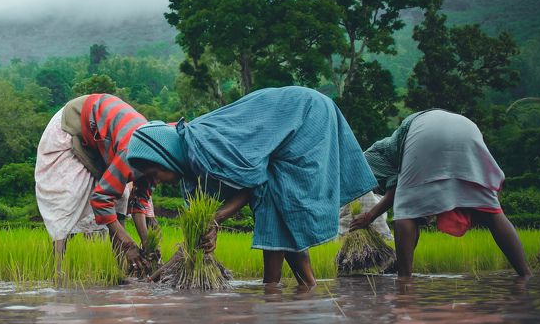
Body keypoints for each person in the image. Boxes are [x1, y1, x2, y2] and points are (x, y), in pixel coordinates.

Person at [126, 86, 377, 288]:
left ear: (164, 155)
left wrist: (218, 218)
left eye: (153, 173)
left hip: (305, 115)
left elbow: (255, 182)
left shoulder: (205, 146)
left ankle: (274, 288)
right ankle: (297, 288)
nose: (155, 181)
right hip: (296, 117)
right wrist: (167, 268)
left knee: (276, 199)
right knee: (276, 211)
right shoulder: (192, 168)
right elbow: (196, 235)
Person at [353, 109, 530, 277]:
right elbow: (400, 195)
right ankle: (525, 274)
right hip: (466, 128)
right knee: (491, 209)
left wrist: (370, 215)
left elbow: (396, 194)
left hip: (423, 132)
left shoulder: (369, 158)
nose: (376, 191)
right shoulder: (397, 157)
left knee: (405, 212)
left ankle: (404, 281)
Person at [34, 93, 156, 273]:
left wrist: (149, 247)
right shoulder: (133, 150)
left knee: (122, 196)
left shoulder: (151, 159)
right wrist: (129, 244)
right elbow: (101, 199)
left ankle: (122, 269)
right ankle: (57, 272)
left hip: (98, 141)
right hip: (71, 126)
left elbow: (139, 204)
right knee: (68, 199)